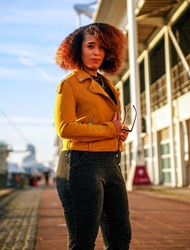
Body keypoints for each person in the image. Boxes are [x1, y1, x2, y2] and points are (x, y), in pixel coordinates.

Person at [54, 23, 132, 250]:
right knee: (83, 241)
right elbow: (65, 128)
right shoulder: (69, 84)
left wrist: (119, 133)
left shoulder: (109, 85)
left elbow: (107, 124)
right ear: (78, 49)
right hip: (79, 165)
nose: (97, 52)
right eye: (90, 46)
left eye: (102, 47)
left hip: (111, 163)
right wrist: (110, 129)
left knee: (120, 237)